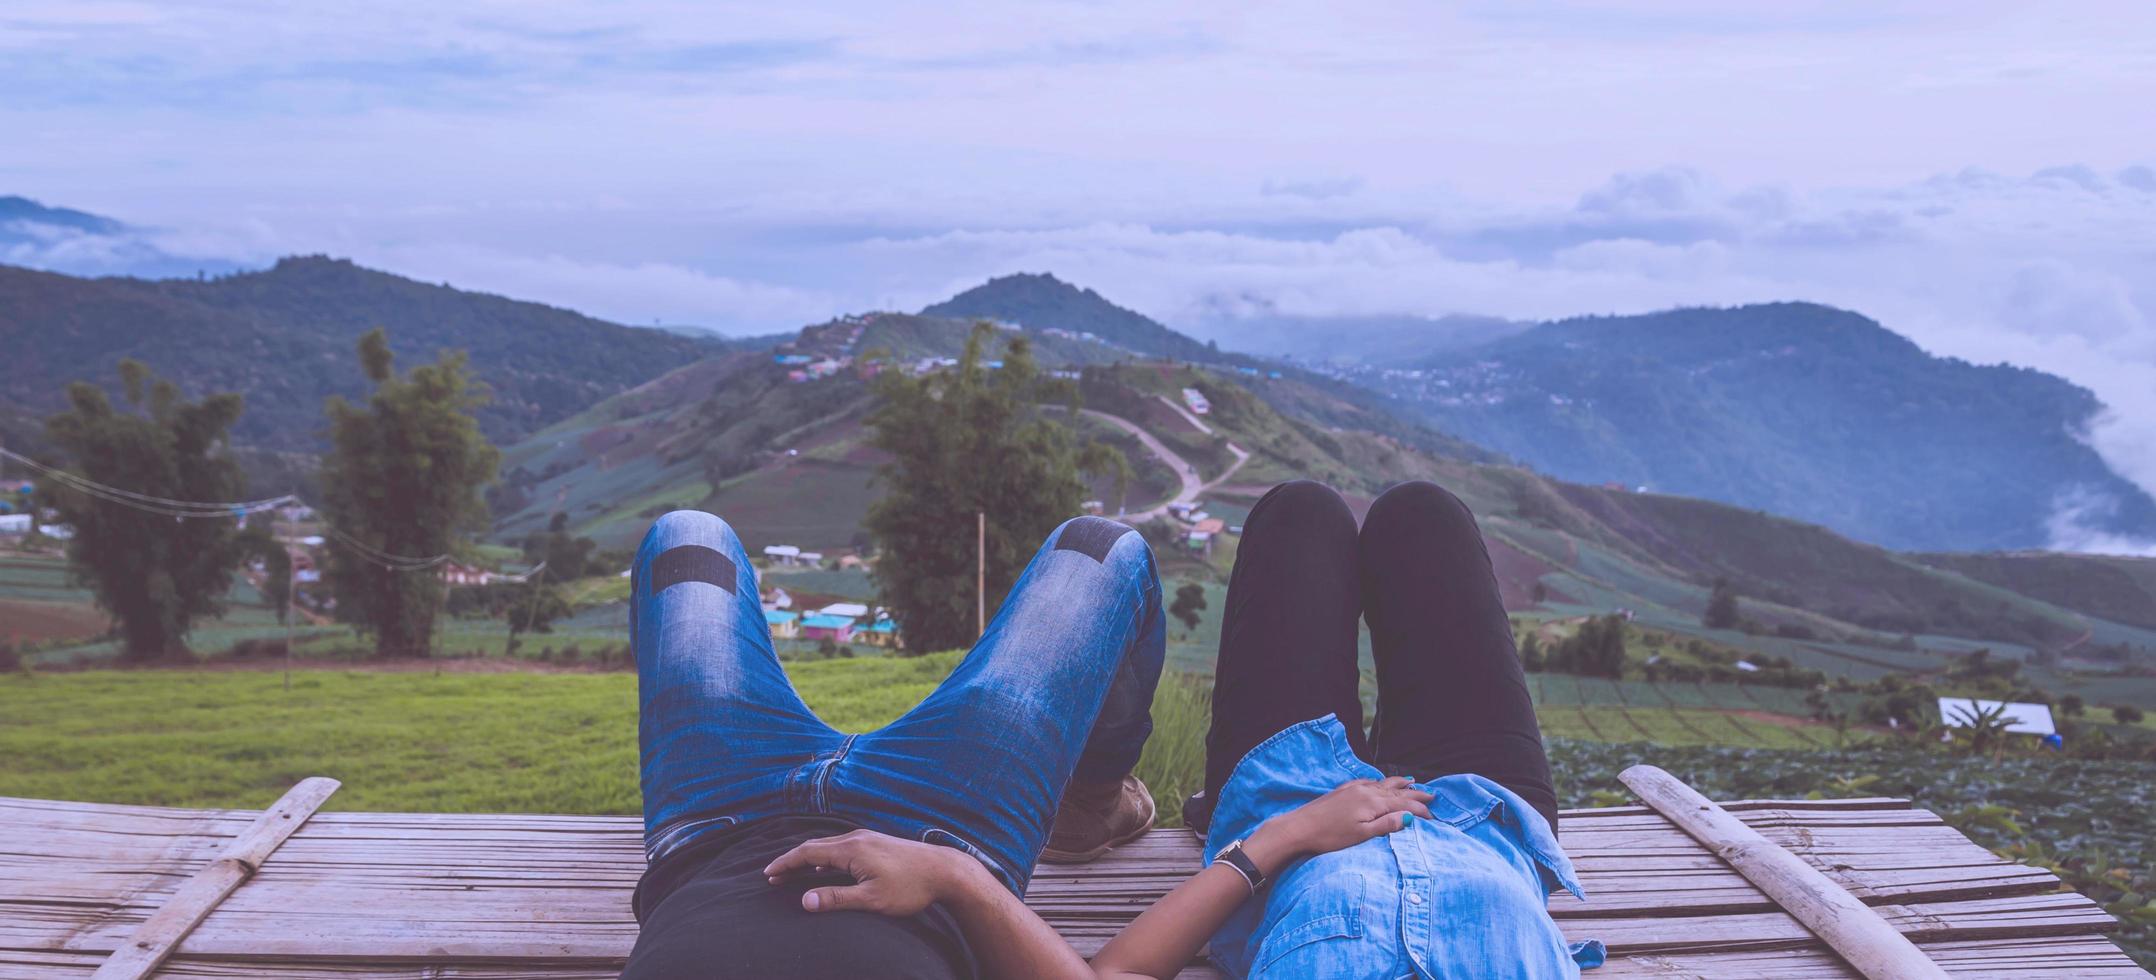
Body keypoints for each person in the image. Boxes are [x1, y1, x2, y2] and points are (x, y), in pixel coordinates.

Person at [622, 510, 1165, 978]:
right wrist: (957, 877)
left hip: (717, 828)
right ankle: (1091, 805)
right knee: (1100, 547)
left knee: (686, 536)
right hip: (942, 834)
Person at [1182, 480, 1603, 978]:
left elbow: (1122, 968)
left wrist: (1284, 835)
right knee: (1423, 513)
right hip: (1485, 817)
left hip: (1288, 815)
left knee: (1300, 513)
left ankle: (1224, 805)